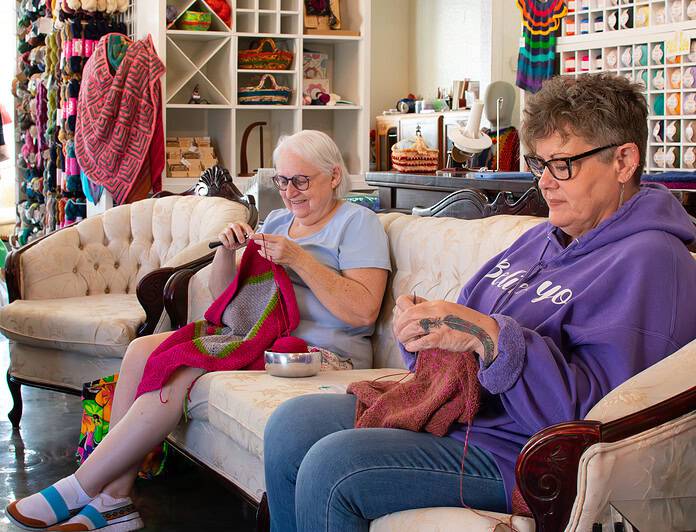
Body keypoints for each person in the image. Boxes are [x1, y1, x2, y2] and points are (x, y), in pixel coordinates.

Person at [263, 73, 696, 532]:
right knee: (292, 425)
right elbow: (467, 322)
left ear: (623, 160)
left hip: (519, 451)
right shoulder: (541, 240)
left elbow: (596, 424)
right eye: (540, 164)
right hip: (465, 414)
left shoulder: (652, 262)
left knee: (336, 466)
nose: (546, 184)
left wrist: (492, 340)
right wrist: (426, 328)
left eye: (562, 164)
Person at [6, 130, 391, 531]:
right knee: (141, 350)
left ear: (333, 176)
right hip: (258, 335)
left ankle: (81, 486)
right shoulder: (279, 220)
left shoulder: (356, 223)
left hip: (319, 354)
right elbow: (228, 298)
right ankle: (113, 500)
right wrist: (227, 252)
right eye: (282, 180)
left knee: (185, 366)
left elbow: (362, 311)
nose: (290, 192)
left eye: (301, 180)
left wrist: (299, 259)